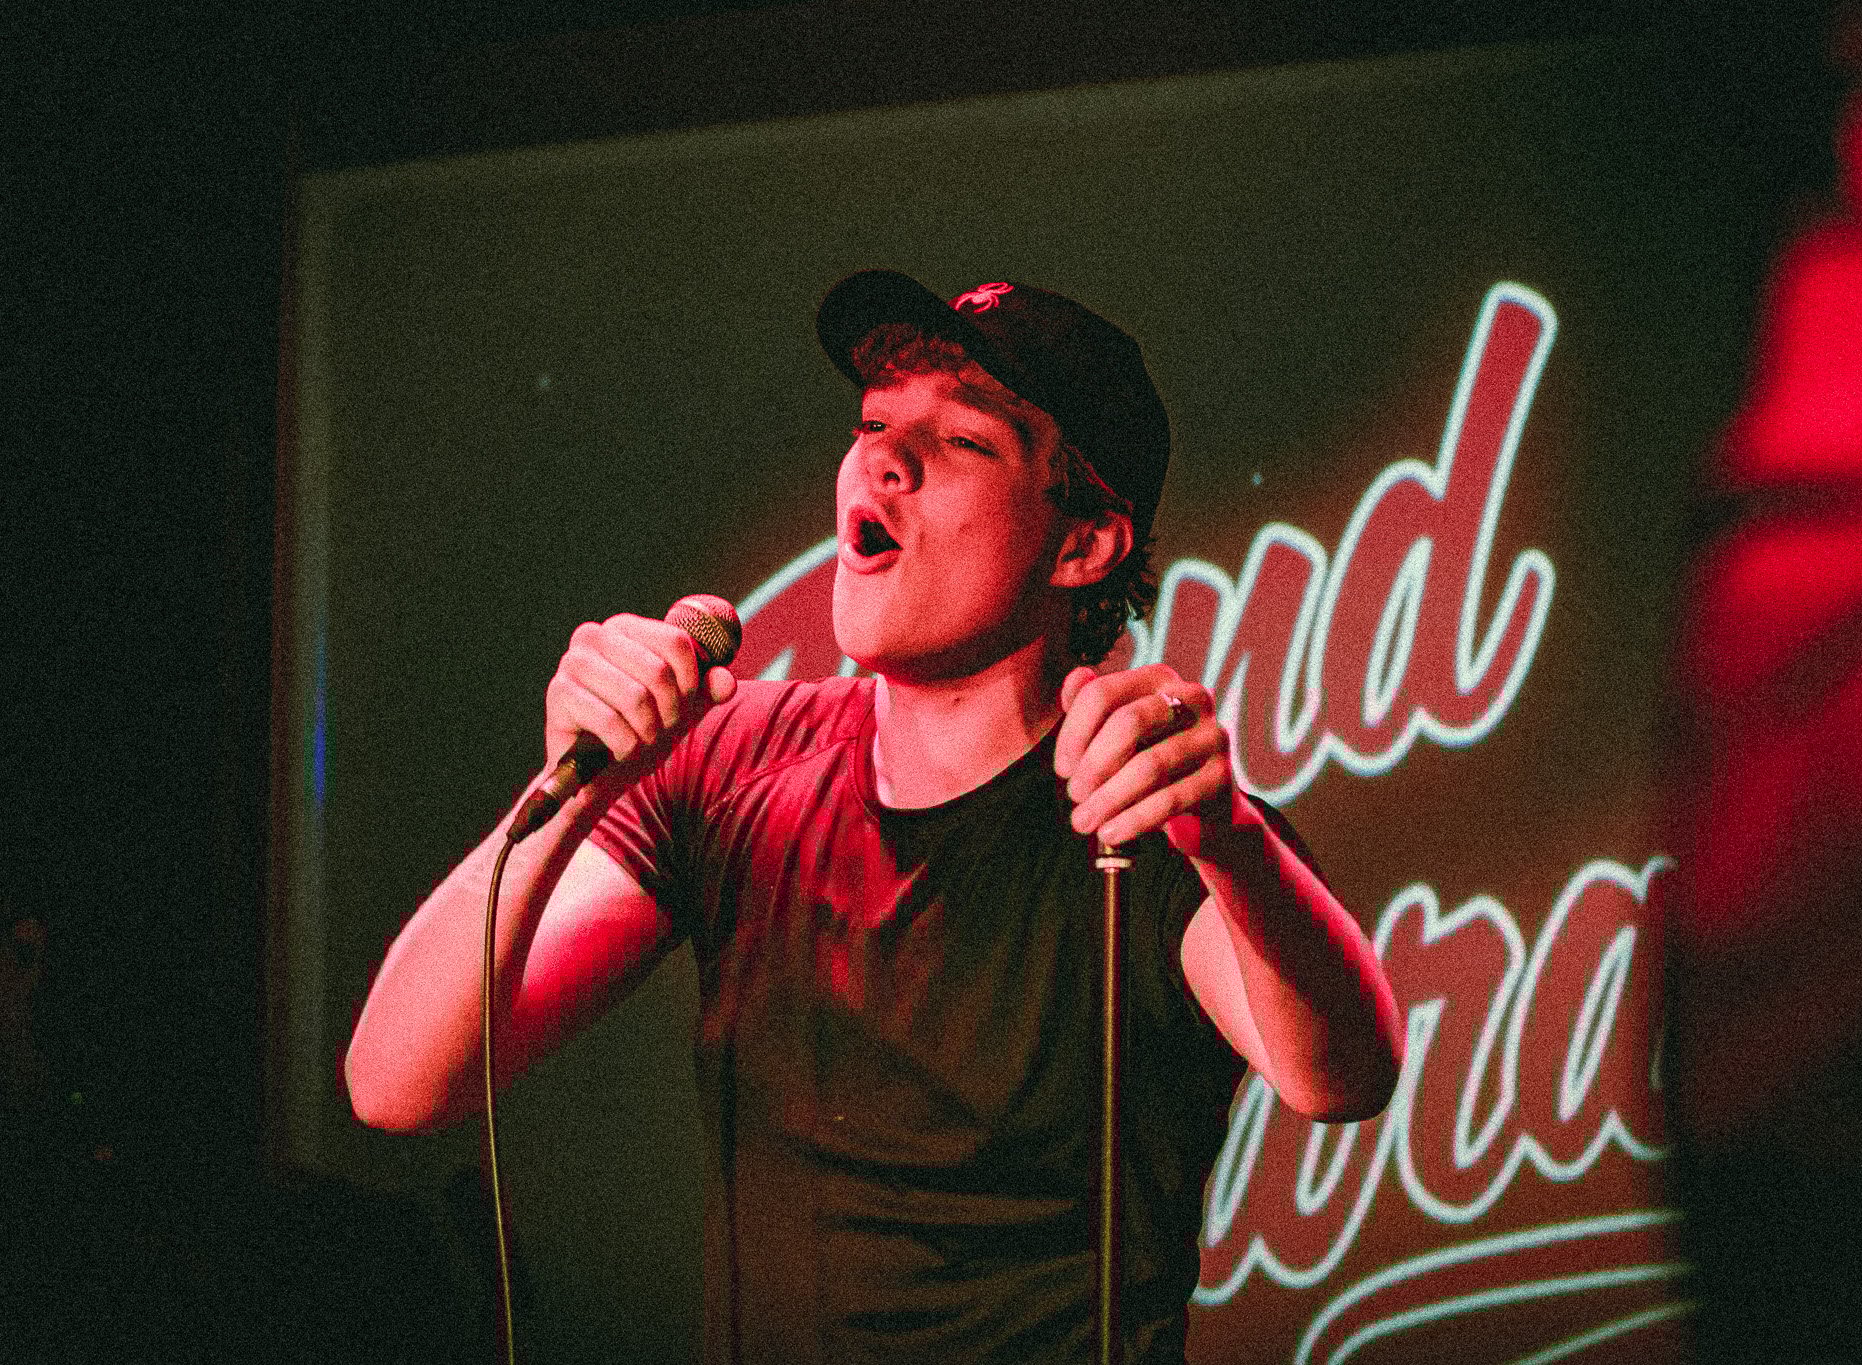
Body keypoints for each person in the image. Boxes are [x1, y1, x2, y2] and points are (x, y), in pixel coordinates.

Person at [345, 270, 1404, 1363]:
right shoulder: (731, 760)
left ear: (1084, 544)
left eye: (963, 440)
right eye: (873, 424)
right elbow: (393, 1083)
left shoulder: (1148, 814)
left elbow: (1343, 1077)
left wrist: (1229, 840)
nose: (884, 460)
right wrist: (569, 790)